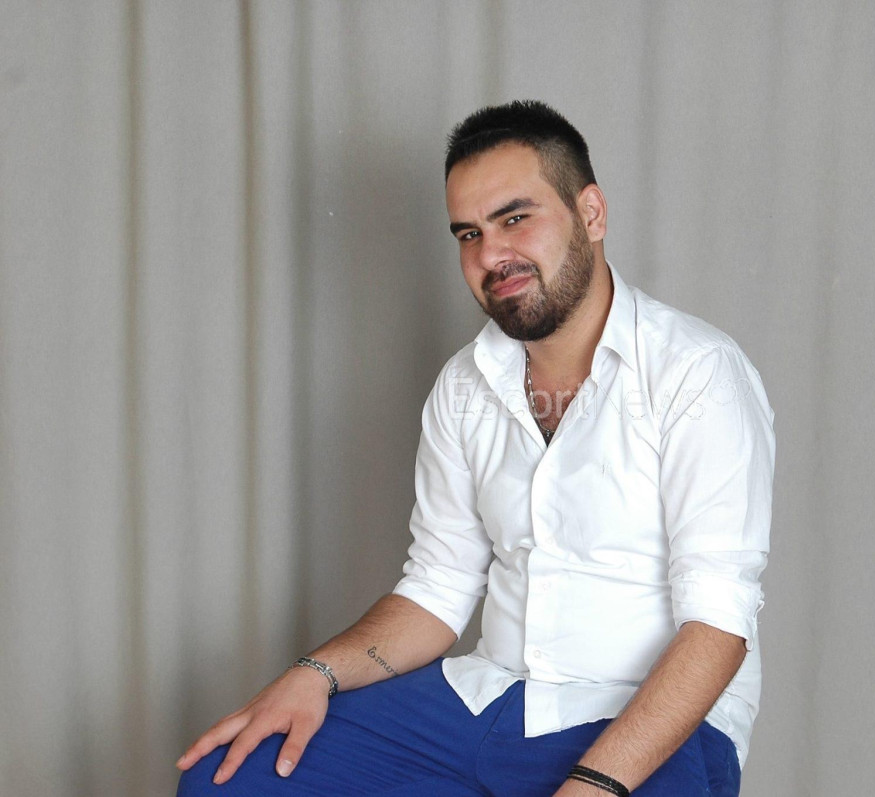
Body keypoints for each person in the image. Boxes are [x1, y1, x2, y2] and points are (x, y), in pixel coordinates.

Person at [176, 100, 774, 796]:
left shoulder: (697, 372)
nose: (490, 255)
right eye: (469, 233)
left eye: (515, 218)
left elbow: (717, 622)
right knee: (230, 779)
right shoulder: (464, 385)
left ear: (591, 213)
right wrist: (316, 674)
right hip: (489, 699)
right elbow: (437, 586)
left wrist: (592, 786)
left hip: (652, 719)